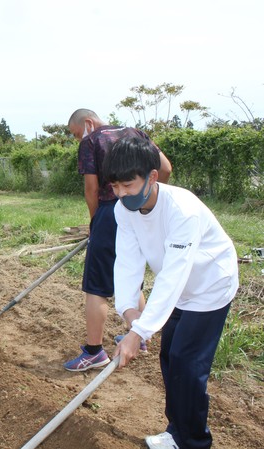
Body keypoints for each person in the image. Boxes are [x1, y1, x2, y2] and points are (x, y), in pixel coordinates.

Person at [106, 136, 238, 449]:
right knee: (169, 358)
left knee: (188, 365)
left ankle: (194, 442)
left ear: (152, 177)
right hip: (177, 287)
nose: (122, 194)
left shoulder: (182, 210)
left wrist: (138, 334)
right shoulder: (123, 211)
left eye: (128, 184)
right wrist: (129, 312)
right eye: (115, 186)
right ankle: (176, 431)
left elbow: (174, 275)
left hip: (209, 286)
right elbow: (127, 262)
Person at [64, 108, 172, 372]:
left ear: (88, 123)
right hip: (140, 210)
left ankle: (94, 351)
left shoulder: (92, 141)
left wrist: (94, 222)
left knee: (96, 286)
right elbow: (165, 168)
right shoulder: (134, 134)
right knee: (132, 273)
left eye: (77, 134)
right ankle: (140, 336)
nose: (79, 139)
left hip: (109, 212)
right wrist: (146, 199)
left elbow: (91, 189)